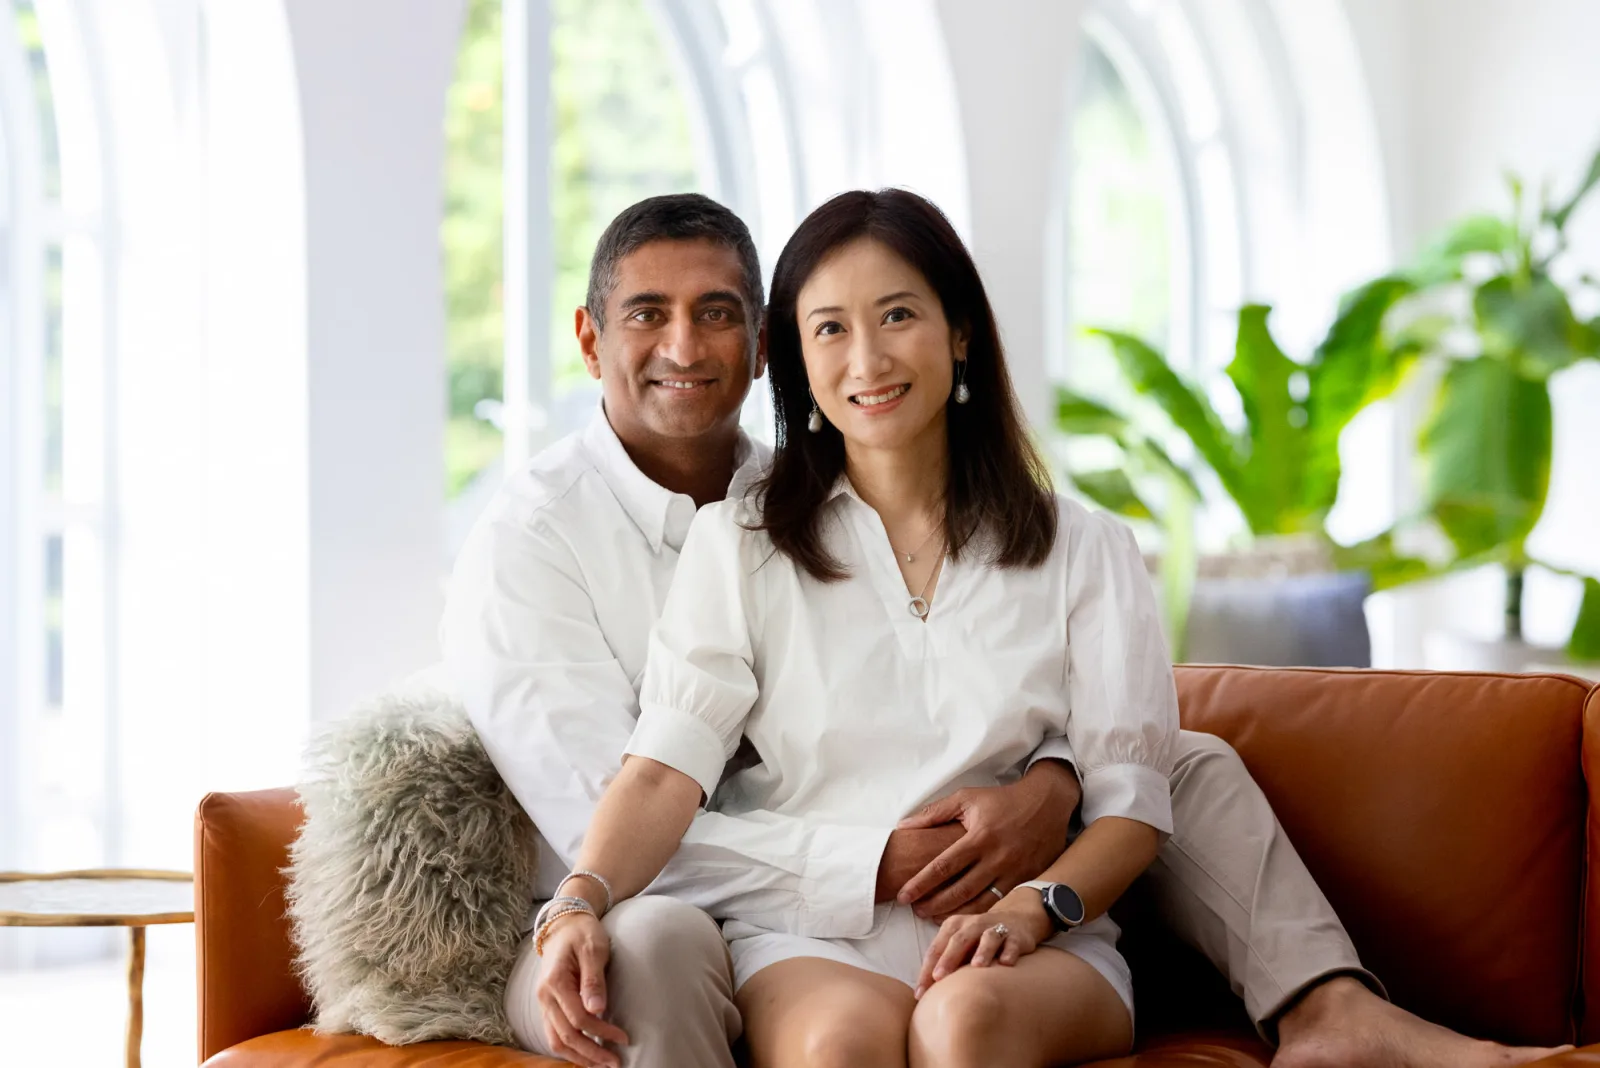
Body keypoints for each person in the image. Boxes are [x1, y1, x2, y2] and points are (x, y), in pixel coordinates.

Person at [441, 191, 1569, 1068]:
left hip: (1022, 932)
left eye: (897, 318)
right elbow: (642, 785)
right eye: (831, 328)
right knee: (837, 1043)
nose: (867, 359)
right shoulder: (701, 534)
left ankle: (1331, 1007)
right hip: (767, 914)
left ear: (960, 334)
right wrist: (586, 902)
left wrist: (1050, 842)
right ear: (593, 339)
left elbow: (1132, 799)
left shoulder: (1081, 543)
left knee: (990, 996)